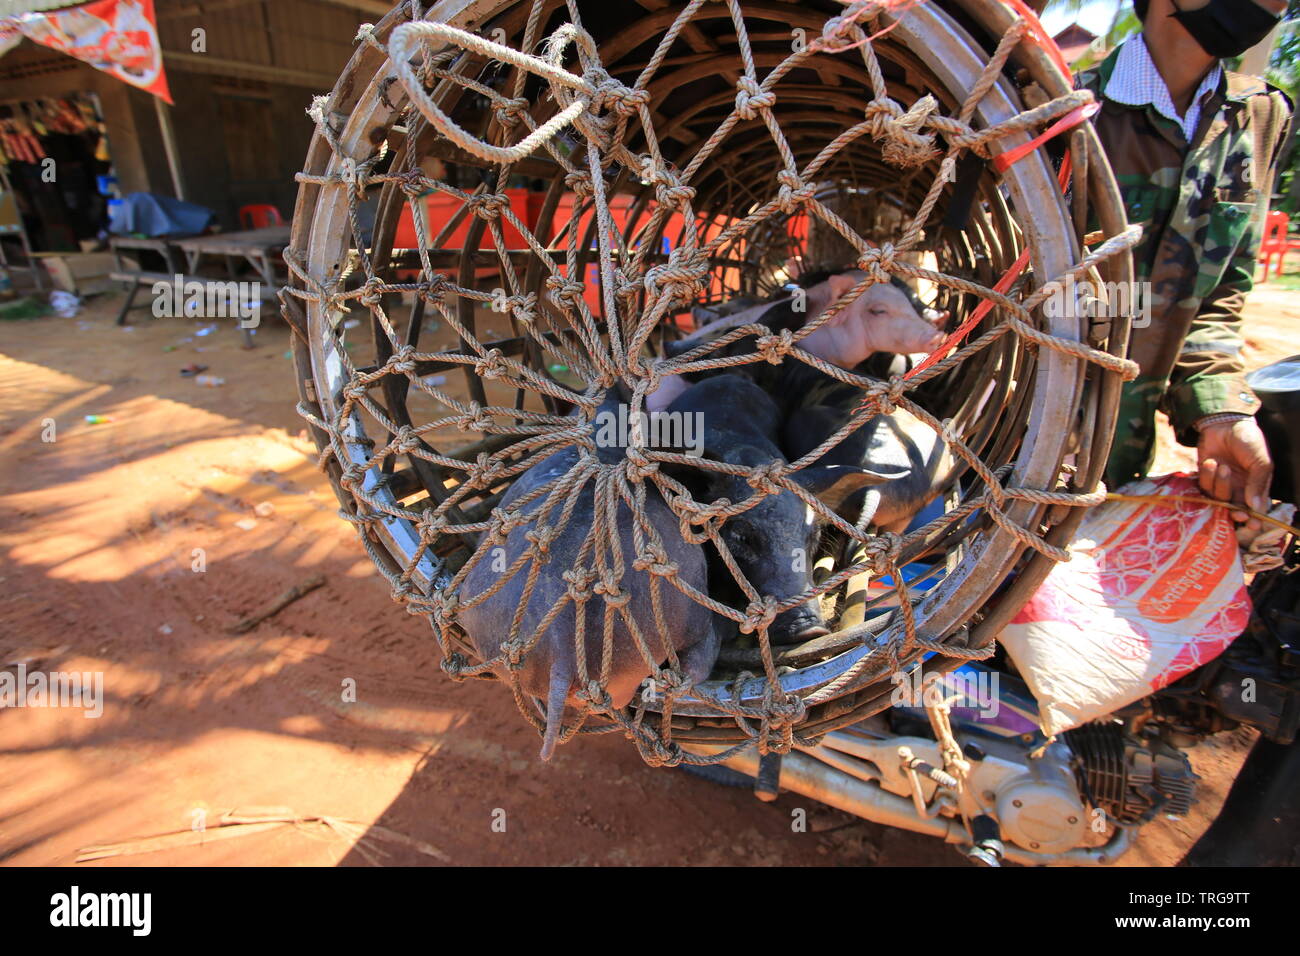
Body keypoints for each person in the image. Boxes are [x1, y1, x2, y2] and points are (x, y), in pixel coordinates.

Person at [1076, 0, 1291, 525]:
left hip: (1123, 459)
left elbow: (1217, 296)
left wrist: (1218, 407)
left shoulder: (1260, 116)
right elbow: (1008, 289)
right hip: (1020, 444)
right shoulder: (1066, 109)